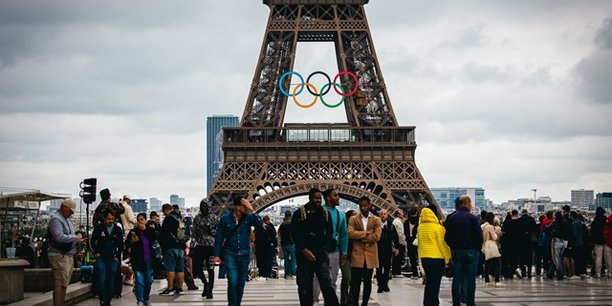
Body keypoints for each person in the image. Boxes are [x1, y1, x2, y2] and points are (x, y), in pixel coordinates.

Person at [291, 188, 339, 306]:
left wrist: (324, 246)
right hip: (304, 253)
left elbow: (330, 232)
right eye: (316, 198)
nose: (318, 200)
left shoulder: (324, 212)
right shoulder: (299, 213)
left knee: (326, 282)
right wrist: (304, 249)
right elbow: (295, 233)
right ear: (310, 198)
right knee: (305, 285)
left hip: (320, 252)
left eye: (319, 198)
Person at [214, 196, 263, 306]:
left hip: (245, 254)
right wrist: (216, 254)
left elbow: (260, 223)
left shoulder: (248, 218)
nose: (245, 208)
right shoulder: (225, 219)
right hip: (230, 253)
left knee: (241, 284)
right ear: (237, 206)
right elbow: (219, 237)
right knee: (233, 282)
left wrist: (251, 209)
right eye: (244, 206)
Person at [444, 195, 483, 306]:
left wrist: (453, 246)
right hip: (471, 251)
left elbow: (447, 237)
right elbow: (479, 237)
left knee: (457, 278)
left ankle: (456, 302)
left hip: (457, 251)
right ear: (468, 203)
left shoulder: (451, 218)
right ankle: (470, 302)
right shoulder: (472, 218)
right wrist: (476, 248)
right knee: (471, 279)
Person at [313, 188, 348, 304]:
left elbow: (344, 235)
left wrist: (344, 251)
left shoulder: (341, 215)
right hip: (320, 250)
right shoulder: (318, 212)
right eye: (335, 195)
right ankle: (314, 300)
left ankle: (330, 302)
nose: (338, 197)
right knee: (318, 278)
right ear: (328, 198)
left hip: (334, 250)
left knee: (332, 279)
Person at [48, 198, 83, 306]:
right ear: (64, 208)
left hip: (67, 255)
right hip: (59, 255)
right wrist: (76, 238)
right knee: (59, 283)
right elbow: (58, 237)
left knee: (64, 284)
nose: (72, 214)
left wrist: (76, 240)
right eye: (71, 211)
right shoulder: (56, 219)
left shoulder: (65, 219)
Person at [348, 196, 382, 306]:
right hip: (357, 255)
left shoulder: (376, 219)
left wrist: (359, 237)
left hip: (370, 256)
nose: (363, 208)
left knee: (368, 283)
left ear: (369, 206)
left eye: (365, 206)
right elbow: (350, 234)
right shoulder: (353, 219)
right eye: (361, 206)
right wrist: (367, 234)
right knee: (355, 284)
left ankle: (365, 304)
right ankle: (355, 304)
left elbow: (377, 237)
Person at [418, 207, 451, 306]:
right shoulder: (437, 227)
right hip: (437, 259)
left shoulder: (420, 227)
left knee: (429, 282)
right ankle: (433, 303)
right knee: (435, 283)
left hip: (425, 258)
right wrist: (447, 258)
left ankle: (427, 302)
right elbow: (442, 244)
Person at [90, 210, 124, 306]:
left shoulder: (117, 229)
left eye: (112, 219)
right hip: (102, 257)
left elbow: (121, 244)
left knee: (111, 279)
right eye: (109, 219)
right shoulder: (99, 228)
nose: (111, 221)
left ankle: (108, 301)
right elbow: (92, 241)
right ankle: (102, 299)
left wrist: (117, 256)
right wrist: (96, 252)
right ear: (104, 219)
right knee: (102, 278)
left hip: (113, 258)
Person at [125, 213, 157, 306]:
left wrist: (145, 229)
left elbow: (154, 238)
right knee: (139, 281)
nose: (140, 221)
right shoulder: (133, 232)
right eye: (138, 220)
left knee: (148, 281)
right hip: (138, 260)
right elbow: (127, 245)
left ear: (145, 220)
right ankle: (140, 299)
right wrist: (131, 242)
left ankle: (146, 298)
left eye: (142, 219)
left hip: (149, 260)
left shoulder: (150, 231)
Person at [191, 198, 219, 298]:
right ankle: (205, 284)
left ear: (209, 207)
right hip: (200, 245)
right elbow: (193, 233)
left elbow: (219, 232)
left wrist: (211, 232)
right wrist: (192, 247)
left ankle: (210, 290)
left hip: (211, 246)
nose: (203, 208)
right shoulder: (197, 218)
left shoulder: (214, 218)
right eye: (202, 206)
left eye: (205, 206)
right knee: (197, 268)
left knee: (210, 269)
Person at [159, 203, 187, 295]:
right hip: (181, 247)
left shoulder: (168, 218)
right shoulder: (180, 218)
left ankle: (170, 288)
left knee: (170, 268)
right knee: (180, 269)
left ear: (166, 210)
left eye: (164, 212)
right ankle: (180, 289)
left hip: (170, 247)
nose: (164, 214)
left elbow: (163, 234)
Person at [376, 209, 399, 293]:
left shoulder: (391, 225)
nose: (383, 215)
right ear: (379, 215)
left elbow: (395, 237)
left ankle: (385, 284)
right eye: (381, 214)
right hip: (378, 250)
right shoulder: (376, 225)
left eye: (384, 214)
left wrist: (397, 248)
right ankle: (380, 285)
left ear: (387, 215)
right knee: (378, 269)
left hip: (387, 250)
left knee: (386, 268)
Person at [341, 210, 358, 306]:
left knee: (354, 280)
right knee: (347, 277)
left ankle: (350, 300)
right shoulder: (344, 228)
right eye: (354, 216)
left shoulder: (359, 228)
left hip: (356, 255)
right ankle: (344, 300)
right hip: (345, 255)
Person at [545, 211, 569, 280]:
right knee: (556, 258)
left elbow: (547, 229)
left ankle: (560, 274)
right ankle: (550, 274)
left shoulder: (555, 222)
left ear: (555, 216)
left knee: (556, 259)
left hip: (556, 241)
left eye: (553, 215)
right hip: (563, 242)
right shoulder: (564, 222)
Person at [501, 210, 525, 279]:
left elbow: (503, 232)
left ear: (511, 214)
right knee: (515, 259)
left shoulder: (507, 223)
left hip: (508, 244)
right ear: (517, 214)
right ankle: (514, 270)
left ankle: (508, 273)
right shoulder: (521, 223)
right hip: (518, 244)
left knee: (508, 258)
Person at [482, 212, 503, 287]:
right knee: (498, 263)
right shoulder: (490, 227)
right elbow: (494, 237)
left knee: (487, 264)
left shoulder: (483, 226)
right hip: (491, 245)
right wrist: (497, 234)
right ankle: (497, 280)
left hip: (485, 244)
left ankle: (487, 281)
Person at [590, 207, 611, 278]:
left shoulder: (595, 222)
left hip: (598, 241)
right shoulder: (607, 221)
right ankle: (610, 272)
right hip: (607, 241)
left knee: (598, 257)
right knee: (608, 257)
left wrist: (593, 241)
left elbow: (592, 232)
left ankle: (598, 273)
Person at [278, 210, 296, 279]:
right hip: (291, 243)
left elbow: (279, 234)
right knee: (293, 259)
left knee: (286, 259)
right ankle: (293, 273)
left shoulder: (282, 224)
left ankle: (287, 273)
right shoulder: (292, 223)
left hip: (284, 244)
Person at [405, 207, 420, 279]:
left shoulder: (406, 222)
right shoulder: (419, 222)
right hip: (418, 241)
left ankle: (415, 274)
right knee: (420, 258)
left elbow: (405, 233)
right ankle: (422, 273)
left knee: (412, 258)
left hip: (410, 241)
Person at [392, 210, 407, 276]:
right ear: (398, 215)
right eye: (402, 213)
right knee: (399, 258)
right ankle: (397, 272)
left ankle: (395, 272)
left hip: (396, 242)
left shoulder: (395, 221)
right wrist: (403, 242)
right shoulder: (398, 222)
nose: (403, 214)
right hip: (399, 242)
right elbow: (400, 233)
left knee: (396, 258)